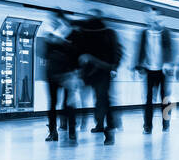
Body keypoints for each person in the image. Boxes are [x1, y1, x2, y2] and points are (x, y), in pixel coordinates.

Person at [76, 9, 121, 145]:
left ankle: (109, 128)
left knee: (103, 99)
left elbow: (117, 51)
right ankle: (100, 125)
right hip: (89, 72)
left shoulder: (109, 33)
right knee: (100, 100)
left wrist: (114, 67)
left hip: (103, 71)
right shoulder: (85, 33)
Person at [41, 12, 78, 142]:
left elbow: (76, 53)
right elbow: (44, 53)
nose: (54, 21)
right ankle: (53, 132)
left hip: (67, 73)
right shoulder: (48, 35)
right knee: (54, 103)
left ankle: (71, 130)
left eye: (55, 18)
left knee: (68, 103)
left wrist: (60, 41)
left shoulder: (71, 34)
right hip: (53, 73)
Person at [134, 10, 174, 133]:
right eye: (152, 17)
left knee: (166, 99)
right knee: (148, 99)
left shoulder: (166, 32)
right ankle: (147, 126)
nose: (155, 21)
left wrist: (169, 63)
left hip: (163, 70)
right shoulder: (144, 33)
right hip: (148, 69)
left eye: (158, 19)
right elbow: (140, 50)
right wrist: (138, 66)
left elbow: (170, 49)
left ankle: (166, 122)